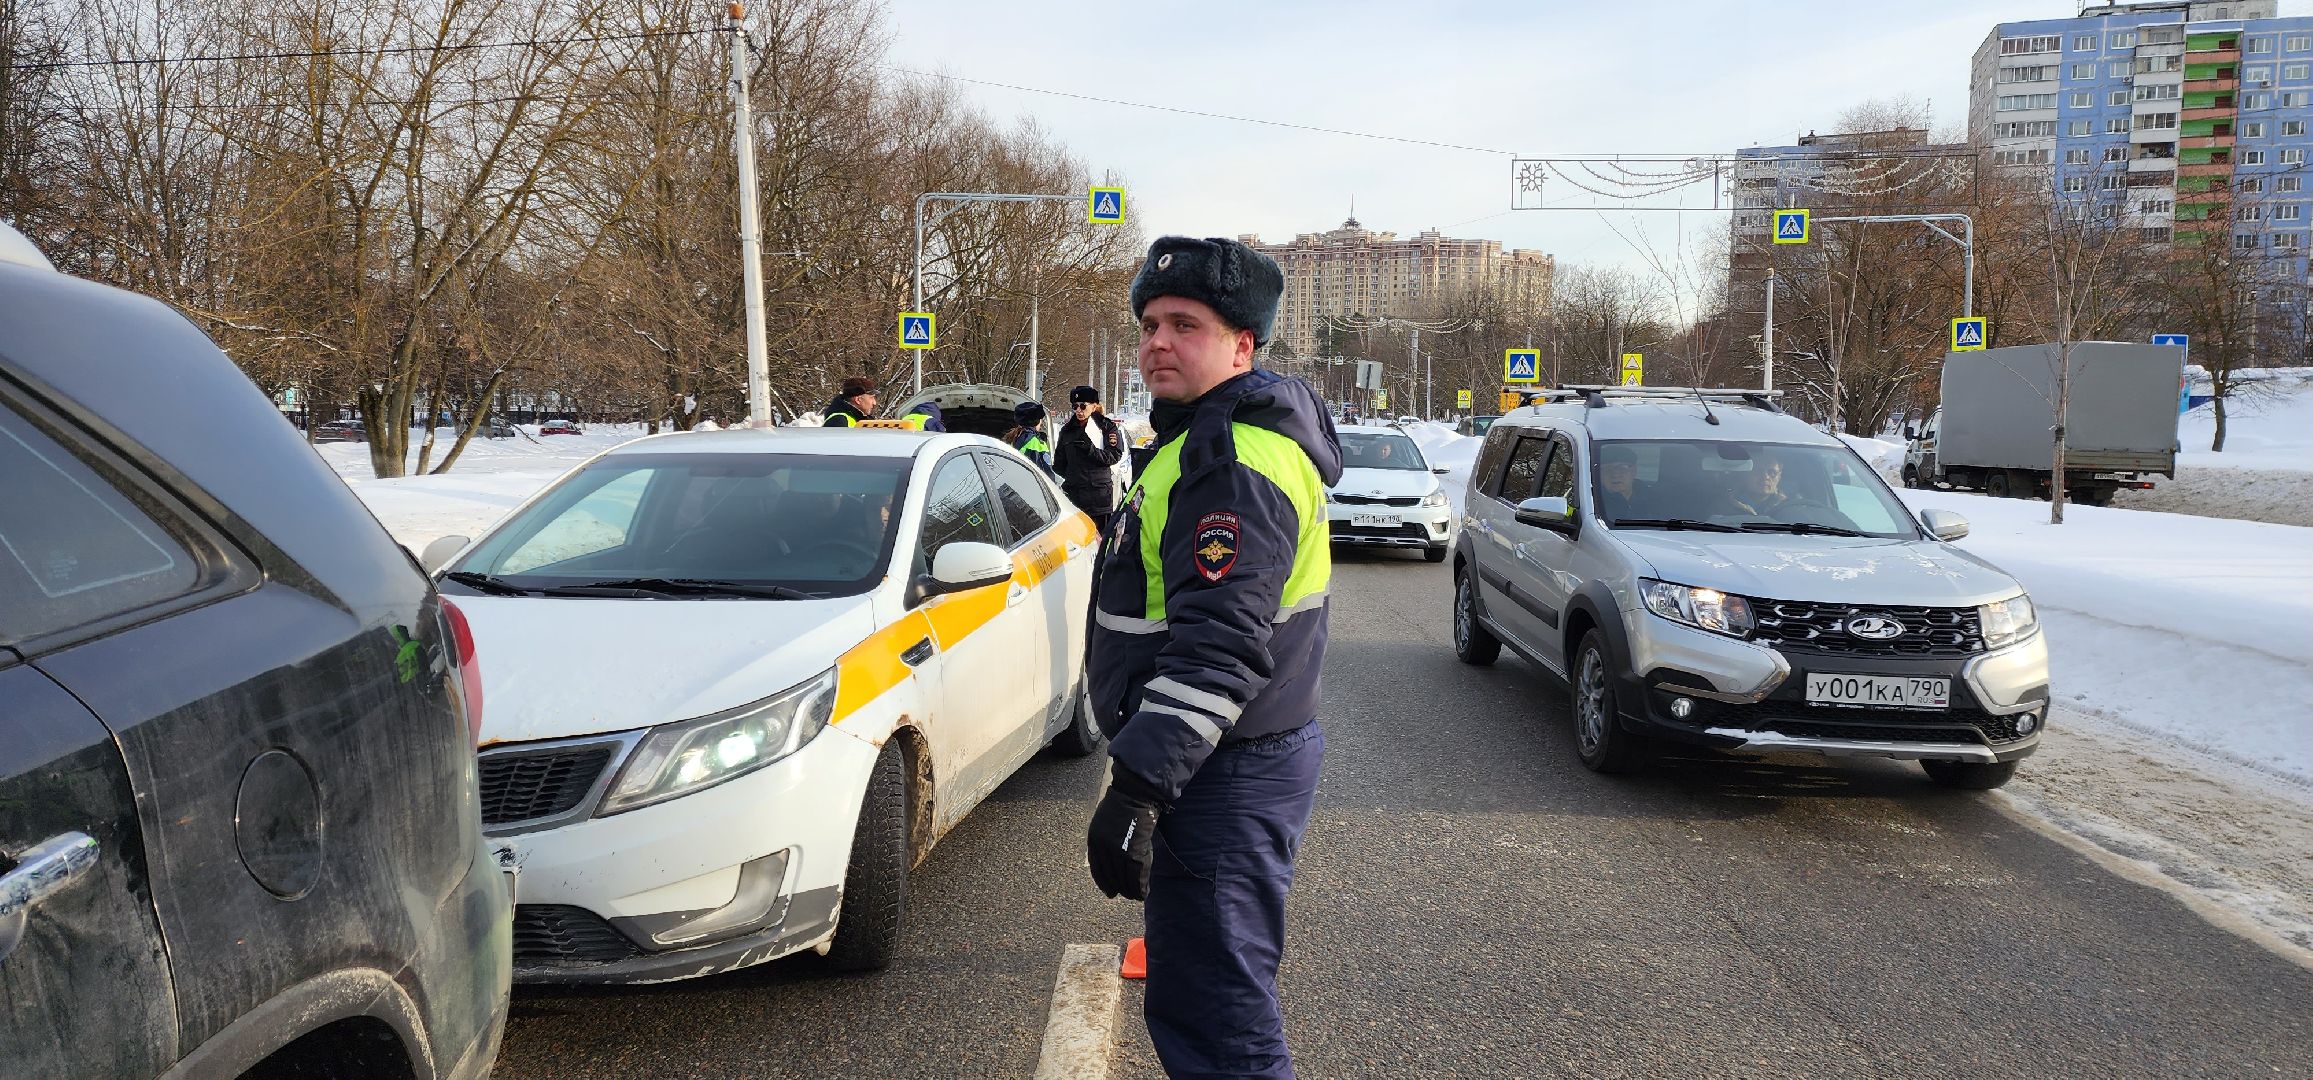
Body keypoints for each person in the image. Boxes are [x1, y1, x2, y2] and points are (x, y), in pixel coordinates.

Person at [1084, 236, 1340, 1080]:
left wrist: (1137, 788)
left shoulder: (1227, 460)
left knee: (1220, 1022)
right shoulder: (1204, 439)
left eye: (1185, 325)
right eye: (1149, 324)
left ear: (1242, 345)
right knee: (1208, 1000)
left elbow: (1218, 649)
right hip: (1228, 759)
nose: (1158, 341)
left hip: (1223, 773)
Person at [1053, 383, 1125, 532]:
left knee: (1099, 540)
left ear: (1094, 406)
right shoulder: (1067, 431)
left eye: (1083, 406)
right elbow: (1059, 464)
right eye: (1075, 406)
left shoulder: (1106, 427)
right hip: (1075, 499)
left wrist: (1091, 450)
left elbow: (1114, 455)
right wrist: (1073, 477)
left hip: (1099, 499)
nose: (1078, 410)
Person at [1724, 450, 1787, 515]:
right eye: (1758, 471)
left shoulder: (1788, 507)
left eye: (1772, 472)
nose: (1766, 477)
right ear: (1746, 474)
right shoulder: (1725, 504)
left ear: (1779, 477)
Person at [1006, 401, 1055, 475]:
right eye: (1040, 420)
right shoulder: (1037, 443)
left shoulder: (1011, 438)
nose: (1041, 423)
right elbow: (1047, 473)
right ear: (1036, 422)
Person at [1598, 444, 1639, 521]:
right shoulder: (1593, 503)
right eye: (1607, 468)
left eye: (1622, 467)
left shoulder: (1653, 499)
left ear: (1634, 471)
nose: (1615, 474)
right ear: (1599, 474)